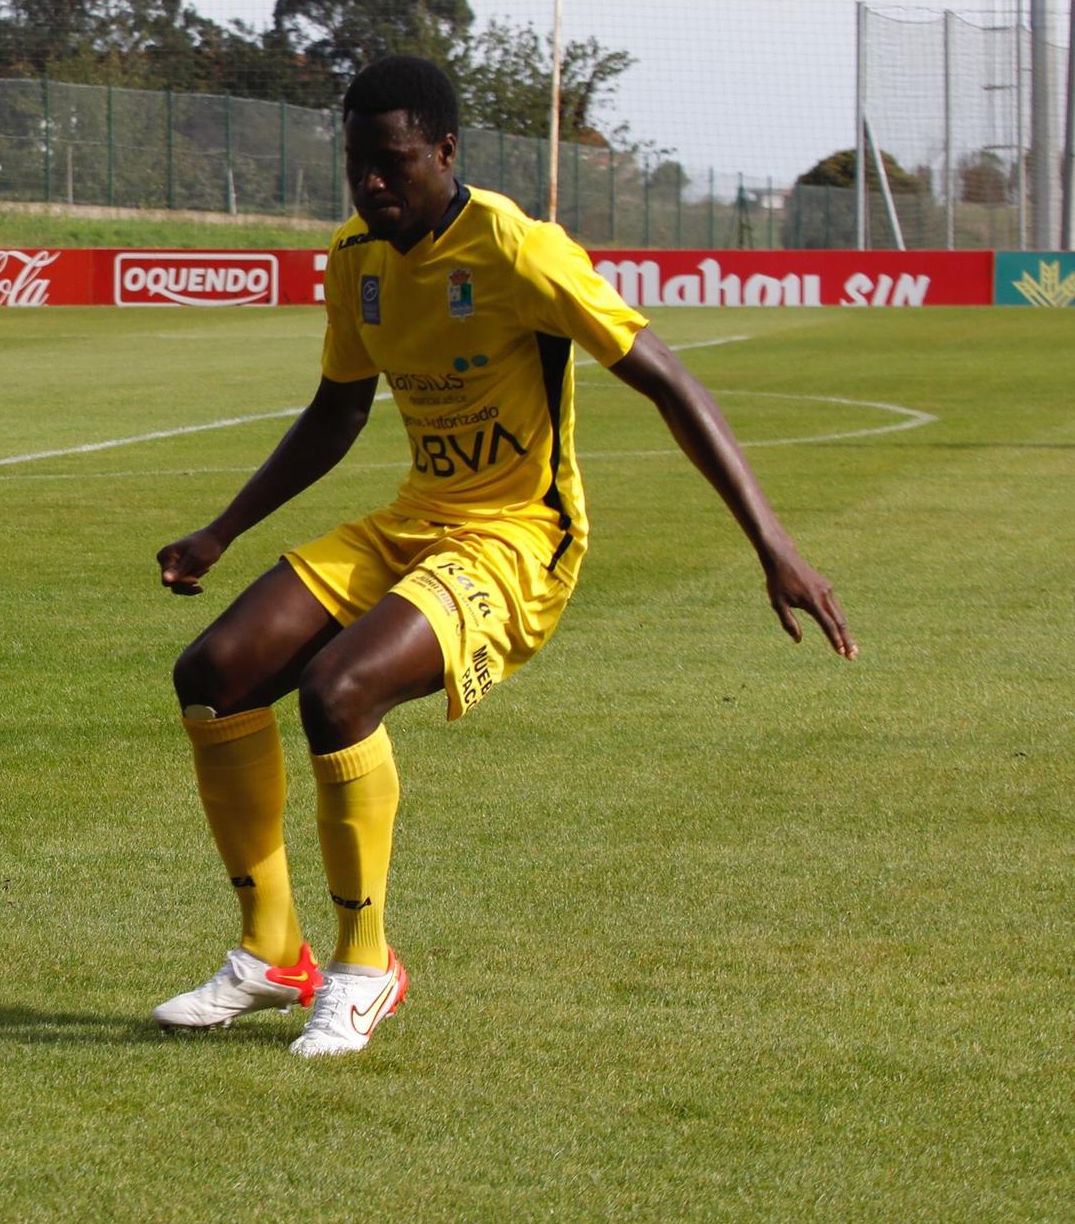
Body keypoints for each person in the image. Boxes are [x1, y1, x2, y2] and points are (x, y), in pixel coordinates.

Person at [151, 57, 855, 1059]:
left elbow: (666, 381)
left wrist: (773, 546)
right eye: (356, 164)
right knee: (212, 674)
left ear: (442, 152)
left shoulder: (516, 249)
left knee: (337, 690)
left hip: (518, 538)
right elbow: (338, 410)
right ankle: (272, 953)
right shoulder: (354, 254)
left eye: (392, 163)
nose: (371, 185)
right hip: (416, 518)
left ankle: (362, 967)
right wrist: (221, 530)